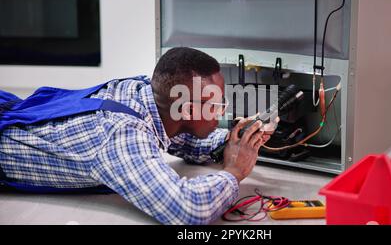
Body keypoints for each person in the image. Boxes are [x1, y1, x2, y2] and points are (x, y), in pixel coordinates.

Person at [0, 47, 276, 225]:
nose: (223, 111)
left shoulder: (145, 92)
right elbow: (187, 209)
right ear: (187, 109)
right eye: (217, 105)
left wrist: (234, 140)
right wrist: (234, 171)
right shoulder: (122, 136)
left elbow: (180, 138)